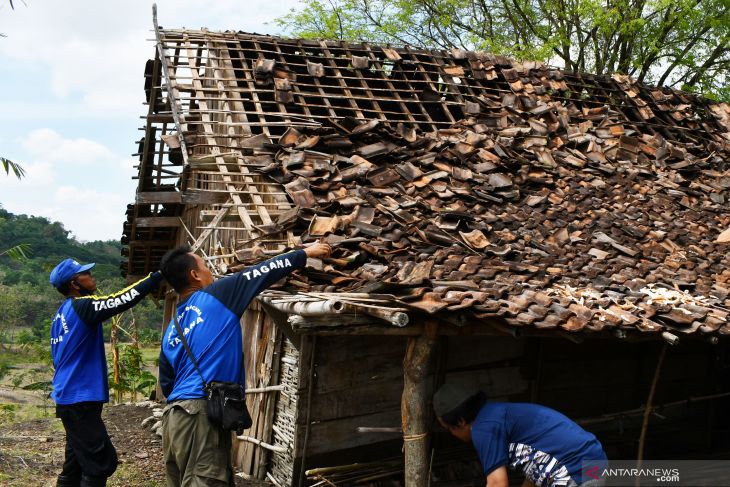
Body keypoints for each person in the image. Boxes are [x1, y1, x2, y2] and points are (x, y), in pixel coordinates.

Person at [159, 243, 331, 486]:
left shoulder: (171, 329)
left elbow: (167, 382)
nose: (211, 272)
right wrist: (306, 253)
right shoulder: (217, 296)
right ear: (194, 275)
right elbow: (263, 270)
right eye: (205, 267)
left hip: (172, 418)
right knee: (205, 481)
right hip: (199, 415)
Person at [49, 258, 163, 487]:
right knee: (100, 462)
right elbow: (121, 299)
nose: (91, 276)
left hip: (70, 396)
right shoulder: (83, 307)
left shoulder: (61, 314)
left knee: (76, 462)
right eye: (85, 274)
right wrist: (157, 277)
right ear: (74, 283)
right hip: (79, 398)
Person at [434, 382, 608, 487]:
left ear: (461, 422)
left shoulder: (482, 429)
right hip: (593, 462)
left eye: (449, 429)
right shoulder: (494, 414)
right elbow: (537, 466)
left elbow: (497, 483)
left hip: (577, 469)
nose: (451, 434)